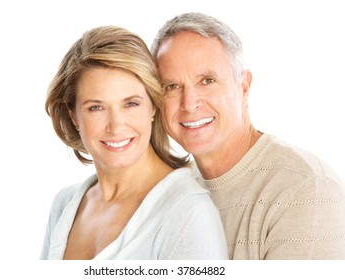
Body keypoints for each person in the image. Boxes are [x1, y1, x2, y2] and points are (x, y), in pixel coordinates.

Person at [151, 12, 345, 259]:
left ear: (243, 87)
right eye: (172, 86)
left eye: (207, 80)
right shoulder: (172, 191)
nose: (189, 104)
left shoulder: (307, 191)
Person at [40, 25, 228, 260]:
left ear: (152, 105)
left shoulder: (187, 212)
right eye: (96, 107)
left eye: (131, 104)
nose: (116, 126)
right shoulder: (65, 205)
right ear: (73, 115)